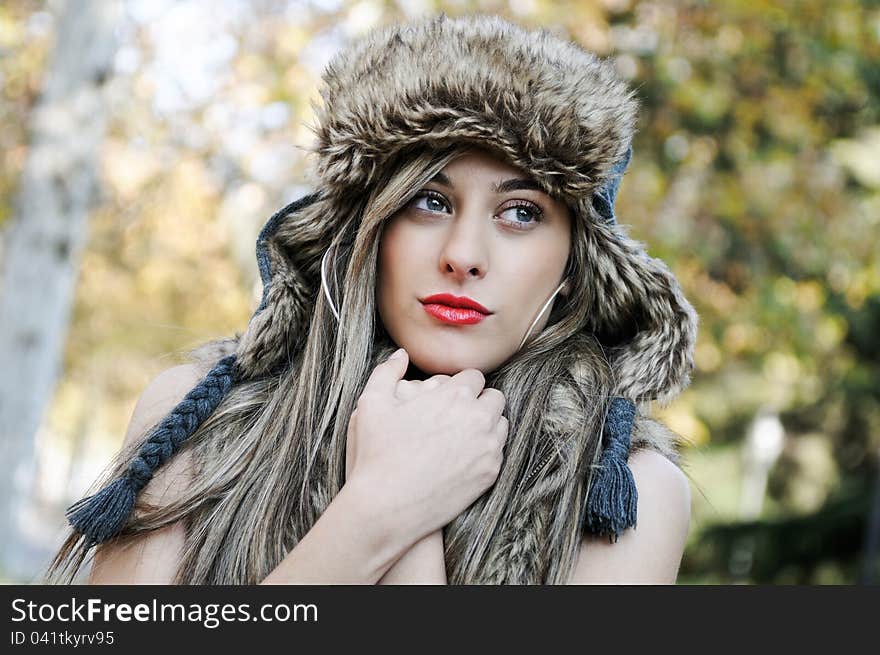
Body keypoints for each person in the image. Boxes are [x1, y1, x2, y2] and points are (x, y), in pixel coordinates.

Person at [46, 13, 697, 585]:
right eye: (430, 200)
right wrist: (379, 510)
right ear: (369, 225)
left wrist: (413, 520)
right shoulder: (200, 419)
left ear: (572, 268)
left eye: (521, 212)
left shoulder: (625, 488)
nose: (464, 253)